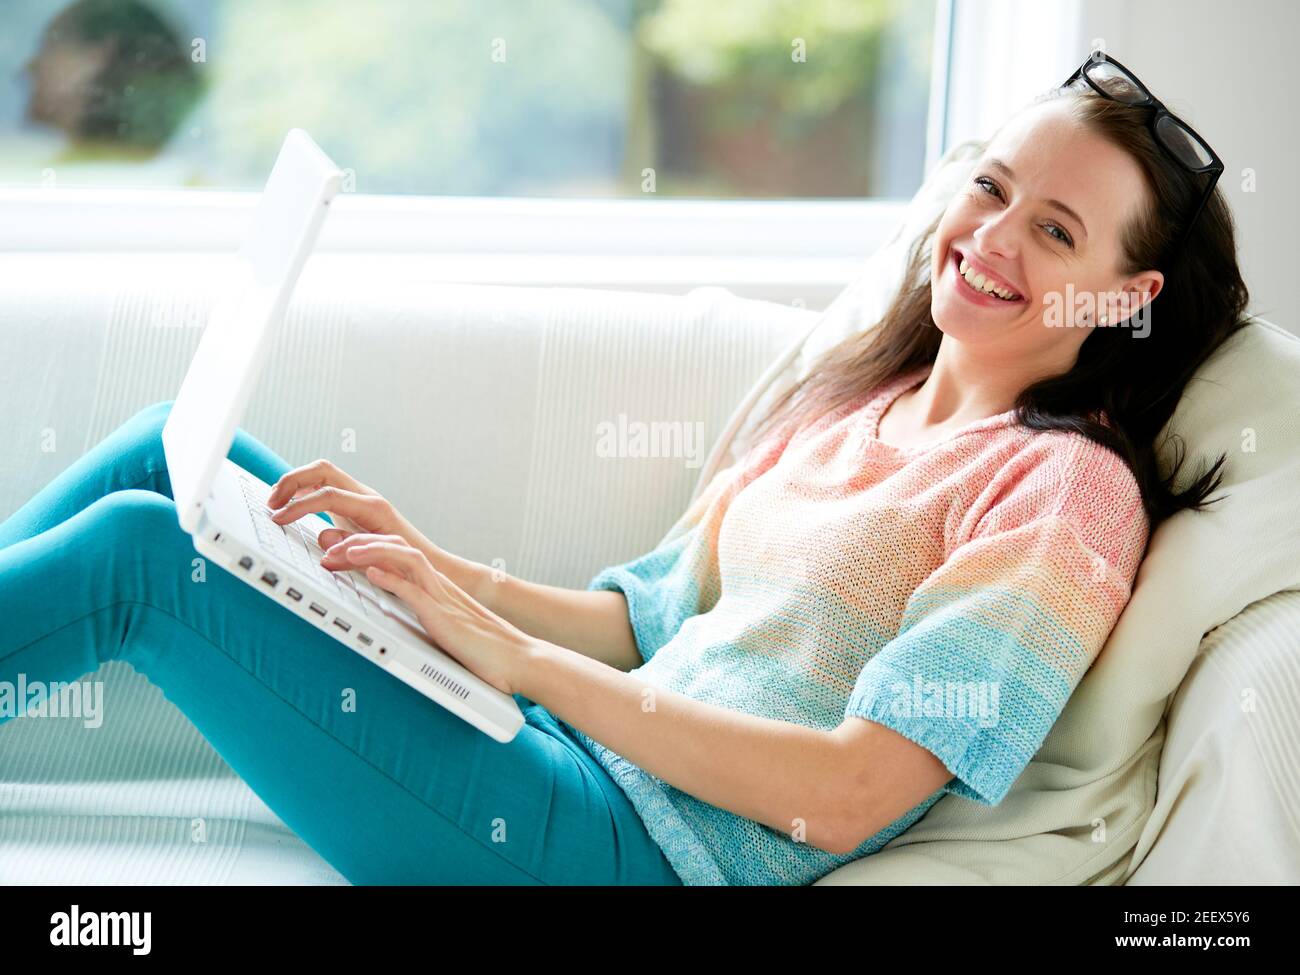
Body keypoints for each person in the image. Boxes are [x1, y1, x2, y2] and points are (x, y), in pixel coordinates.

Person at [0, 54, 1250, 885]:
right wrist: (429, 569)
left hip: (610, 852)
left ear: (1124, 298)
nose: (991, 238)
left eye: (1056, 231)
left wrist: (513, 662)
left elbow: (856, 791)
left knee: (138, 561)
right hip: (543, 748)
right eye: (989, 188)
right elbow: (647, 622)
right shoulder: (861, 402)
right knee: (167, 458)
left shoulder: (1062, 496)